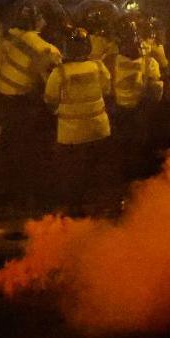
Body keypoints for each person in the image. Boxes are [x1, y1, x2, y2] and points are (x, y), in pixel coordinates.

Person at [0, 0, 63, 196]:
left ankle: (1, 186)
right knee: (25, 145)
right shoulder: (46, 48)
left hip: (1, 96)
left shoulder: (14, 36)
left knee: (7, 142)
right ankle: (23, 189)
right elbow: (53, 78)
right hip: (20, 100)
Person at [44, 28, 114, 214]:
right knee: (99, 169)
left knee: (72, 173)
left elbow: (50, 99)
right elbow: (107, 89)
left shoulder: (60, 72)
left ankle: (75, 209)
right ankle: (104, 207)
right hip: (99, 129)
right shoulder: (98, 66)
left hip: (71, 135)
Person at [110, 20, 163, 182]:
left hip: (120, 115)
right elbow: (157, 92)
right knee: (139, 151)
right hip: (139, 115)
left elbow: (104, 88)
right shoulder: (150, 62)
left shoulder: (109, 62)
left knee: (124, 154)